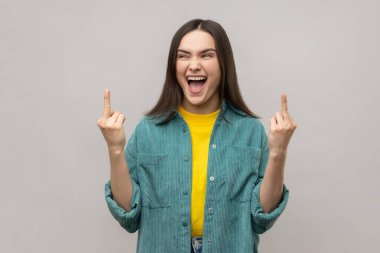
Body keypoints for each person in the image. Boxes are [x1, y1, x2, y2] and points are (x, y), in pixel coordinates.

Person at [97, 19, 297, 253]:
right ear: (174, 65)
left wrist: (278, 153)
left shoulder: (250, 131)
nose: (193, 65)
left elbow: (262, 218)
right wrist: (115, 149)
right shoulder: (148, 130)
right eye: (183, 56)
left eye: (206, 55)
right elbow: (128, 216)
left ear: (224, 64)